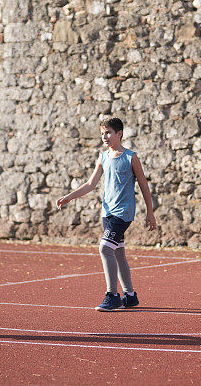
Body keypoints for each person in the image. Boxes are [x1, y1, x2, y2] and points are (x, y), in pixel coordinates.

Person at [57, 117, 157, 311]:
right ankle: (130, 295)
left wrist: (150, 213)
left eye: (109, 132)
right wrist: (69, 197)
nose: (105, 136)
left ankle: (112, 295)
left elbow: (144, 185)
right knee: (118, 253)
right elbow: (90, 184)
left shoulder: (130, 157)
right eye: (103, 133)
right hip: (108, 213)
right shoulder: (103, 157)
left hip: (123, 213)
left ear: (119, 134)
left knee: (105, 248)